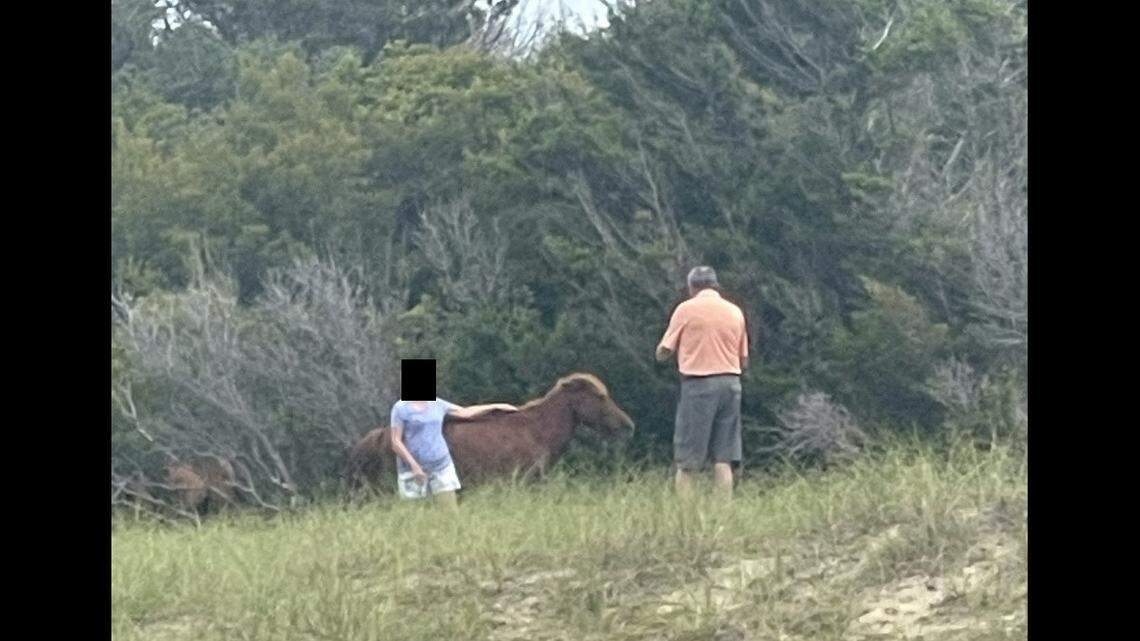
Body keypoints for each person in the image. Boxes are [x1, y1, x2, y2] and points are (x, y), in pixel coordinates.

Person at [655, 266, 749, 499]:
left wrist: (663, 355)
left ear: (692, 286)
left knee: (688, 461)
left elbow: (665, 350)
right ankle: (723, 511)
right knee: (723, 459)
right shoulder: (734, 311)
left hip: (699, 385)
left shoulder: (686, 310)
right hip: (731, 384)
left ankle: (686, 513)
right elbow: (744, 358)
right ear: (715, 284)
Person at [388, 397, 517, 509]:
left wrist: (496, 406)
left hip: (441, 467)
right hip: (412, 470)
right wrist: (414, 466)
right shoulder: (401, 408)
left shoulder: (437, 403)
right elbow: (396, 441)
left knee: (449, 512)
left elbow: (465, 412)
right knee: (416, 513)